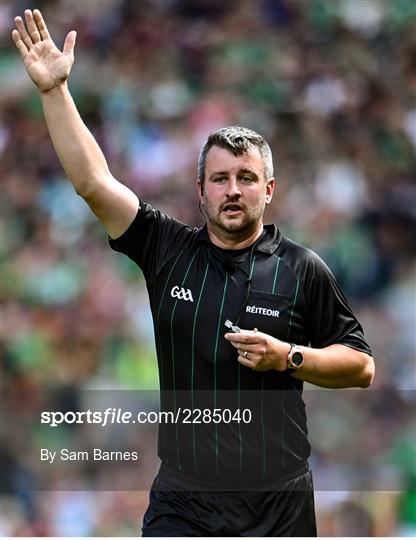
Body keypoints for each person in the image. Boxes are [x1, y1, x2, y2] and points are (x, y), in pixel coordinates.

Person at [12, 9, 375, 537]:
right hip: (185, 501)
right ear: (199, 189)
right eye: (221, 178)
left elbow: (361, 366)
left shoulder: (301, 268)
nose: (233, 190)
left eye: (247, 178)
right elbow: (94, 183)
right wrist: (54, 92)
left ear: (268, 191)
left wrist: (289, 357)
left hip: (279, 504)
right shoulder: (166, 248)